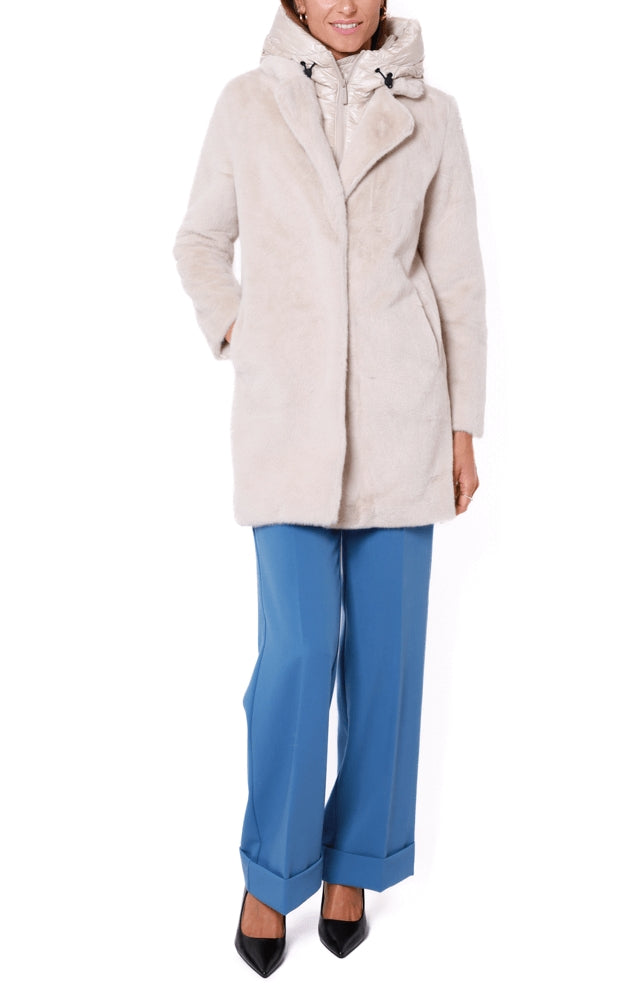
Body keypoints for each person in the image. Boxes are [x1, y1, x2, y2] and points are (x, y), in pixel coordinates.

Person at [173, 0, 487, 978]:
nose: (346, 4)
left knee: (387, 661)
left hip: (402, 418)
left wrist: (461, 426)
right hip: (287, 426)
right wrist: (243, 333)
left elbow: (457, 279)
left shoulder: (434, 115)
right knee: (298, 655)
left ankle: (356, 864)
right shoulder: (246, 104)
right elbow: (198, 243)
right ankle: (273, 871)